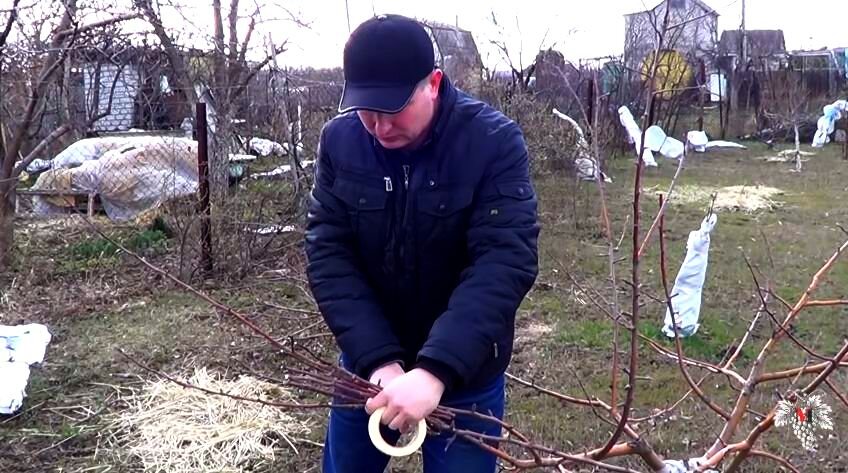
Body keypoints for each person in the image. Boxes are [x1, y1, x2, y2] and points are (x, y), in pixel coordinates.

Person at [305, 13, 539, 473]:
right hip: (368, 370)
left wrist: (436, 371)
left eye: (392, 109)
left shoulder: (492, 141)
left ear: (432, 83)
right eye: (365, 110)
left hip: (464, 374)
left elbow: (503, 260)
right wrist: (379, 361)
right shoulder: (340, 141)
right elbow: (329, 253)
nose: (378, 126)